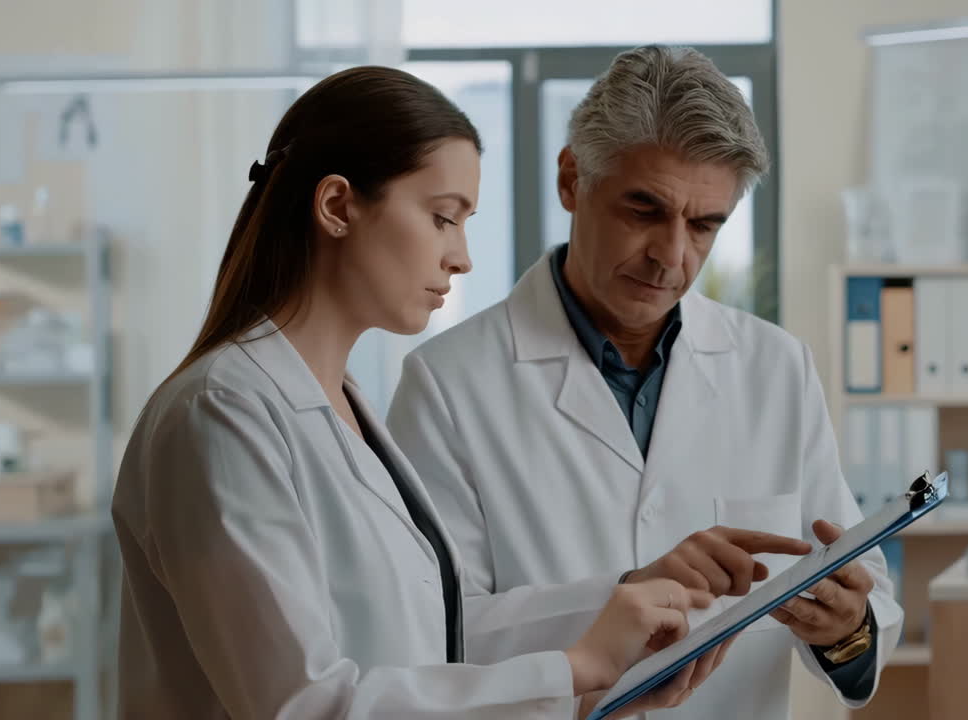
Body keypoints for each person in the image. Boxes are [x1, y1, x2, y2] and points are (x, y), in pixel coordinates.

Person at [111, 65, 737, 720]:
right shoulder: (222, 412)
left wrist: (594, 684)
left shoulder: (345, 409)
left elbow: (429, 643)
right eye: (443, 218)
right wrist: (575, 668)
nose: (461, 256)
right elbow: (302, 706)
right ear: (335, 207)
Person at [387, 46, 905, 719]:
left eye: (704, 225)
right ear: (572, 179)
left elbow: (868, 599)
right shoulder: (447, 384)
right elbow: (429, 633)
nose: (672, 256)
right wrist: (624, 592)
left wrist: (847, 627)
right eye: (644, 210)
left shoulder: (776, 369)